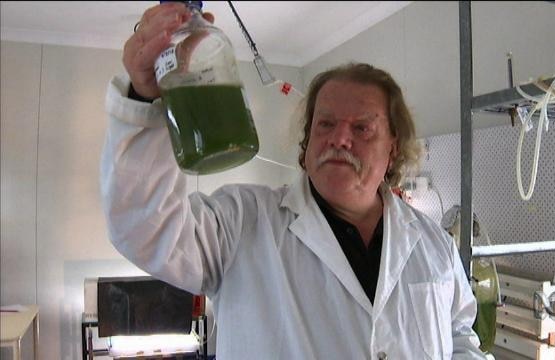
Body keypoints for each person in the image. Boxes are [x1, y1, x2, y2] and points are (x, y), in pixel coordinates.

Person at [100, 2, 484, 358]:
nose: (338, 138)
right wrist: (142, 95)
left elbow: (460, 338)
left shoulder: (434, 245)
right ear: (307, 142)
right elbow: (144, 226)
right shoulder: (241, 224)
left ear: (393, 148)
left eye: (362, 128)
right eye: (326, 124)